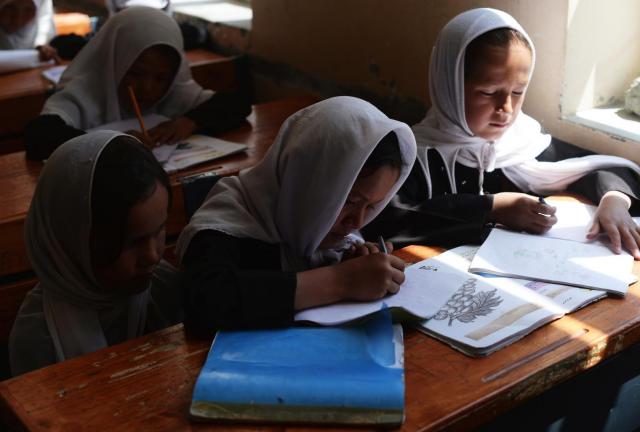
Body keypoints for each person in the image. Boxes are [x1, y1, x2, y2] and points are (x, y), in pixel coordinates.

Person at [364, 8, 640, 257]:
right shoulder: (414, 154)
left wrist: (614, 200)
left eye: (518, 92)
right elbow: (384, 218)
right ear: (449, 85)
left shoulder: (522, 143)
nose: (506, 107)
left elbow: (600, 168)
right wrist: (490, 208)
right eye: (488, 92)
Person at [176, 96, 417, 334]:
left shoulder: (334, 233)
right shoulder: (228, 223)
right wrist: (340, 281)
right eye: (349, 201)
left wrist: (351, 264)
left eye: (372, 206)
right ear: (306, 180)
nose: (357, 222)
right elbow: (205, 302)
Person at [9, 131, 182, 376]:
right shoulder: (40, 336)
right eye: (132, 243)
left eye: (160, 230)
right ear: (73, 242)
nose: (153, 256)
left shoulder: (167, 289)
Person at [24, 6, 251, 160]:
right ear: (115, 61)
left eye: (161, 78)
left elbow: (237, 104)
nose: (148, 89)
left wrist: (189, 122)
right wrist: (109, 143)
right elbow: (39, 135)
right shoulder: (84, 93)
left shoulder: (175, 92)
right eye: (136, 73)